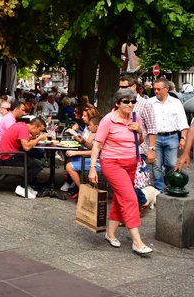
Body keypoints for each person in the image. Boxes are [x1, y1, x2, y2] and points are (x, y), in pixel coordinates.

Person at [89, 88, 152, 255]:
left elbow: (139, 141)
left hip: (131, 163)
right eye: (126, 102)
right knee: (130, 198)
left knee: (120, 198)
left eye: (133, 102)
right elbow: (97, 145)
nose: (130, 105)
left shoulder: (135, 117)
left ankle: (110, 234)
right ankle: (137, 241)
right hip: (112, 163)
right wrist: (93, 168)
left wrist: (139, 131)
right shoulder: (108, 120)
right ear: (117, 103)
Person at [148, 77, 188, 192]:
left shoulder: (176, 103)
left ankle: (168, 182)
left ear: (167, 89)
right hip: (155, 138)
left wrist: (183, 138)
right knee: (156, 166)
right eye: (154, 89)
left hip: (172, 137)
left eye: (159, 89)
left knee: (171, 164)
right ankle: (159, 191)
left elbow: (183, 122)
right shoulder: (150, 102)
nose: (156, 91)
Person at [0, 117, 47, 199]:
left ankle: (28, 184)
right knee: (37, 164)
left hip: (7, 154)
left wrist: (34, 138)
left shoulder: (22, 125)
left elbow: (24, 138)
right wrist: (38, 139)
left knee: (35, 155)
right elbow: (26, 147)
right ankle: (22, 187)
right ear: (34, 127)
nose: (39, 132)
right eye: (40, 130)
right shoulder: (23, 129)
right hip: (7, 157)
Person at [119, 74, 157, 168]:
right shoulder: (120, 102)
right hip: (122, 148)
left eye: (124, 87)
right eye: (120, 87)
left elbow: (152, 128)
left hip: (139, 149)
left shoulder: (145, 104)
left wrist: (151, 149)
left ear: (134, 86)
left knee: (136, 179)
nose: (121, 89)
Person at [63, 116, 101, 193]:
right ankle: (73, 184)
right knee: (70, 159)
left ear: (96, 127)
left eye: (90, 125)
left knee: (69, 166)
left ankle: (82, 191)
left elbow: (95, 152)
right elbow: (92, 147)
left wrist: (76, 152)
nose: (89, 127)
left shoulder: (101, 136)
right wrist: (83, 141)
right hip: (95, 159)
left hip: (99, 162)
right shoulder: (97, 134)